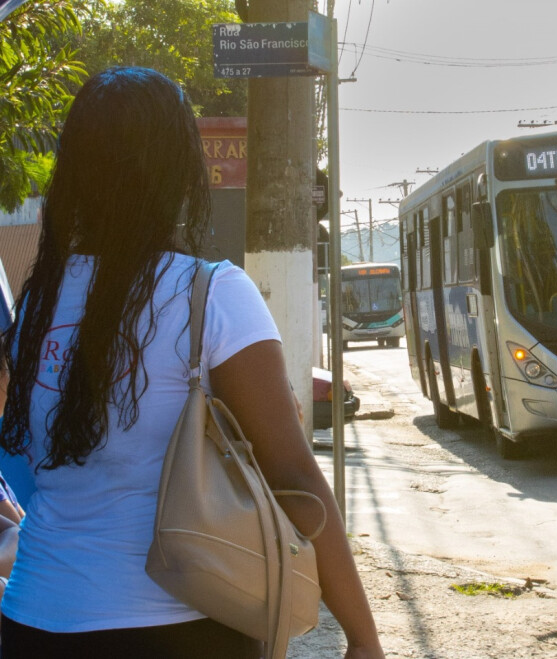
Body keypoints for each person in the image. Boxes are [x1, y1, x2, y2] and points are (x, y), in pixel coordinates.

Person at [0, 67, 384, 658]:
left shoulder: (38, 304)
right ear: (177, 170)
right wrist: (363, 638)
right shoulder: (209, 294)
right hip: (184, 624)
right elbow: (295, 477)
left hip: (34, 623)